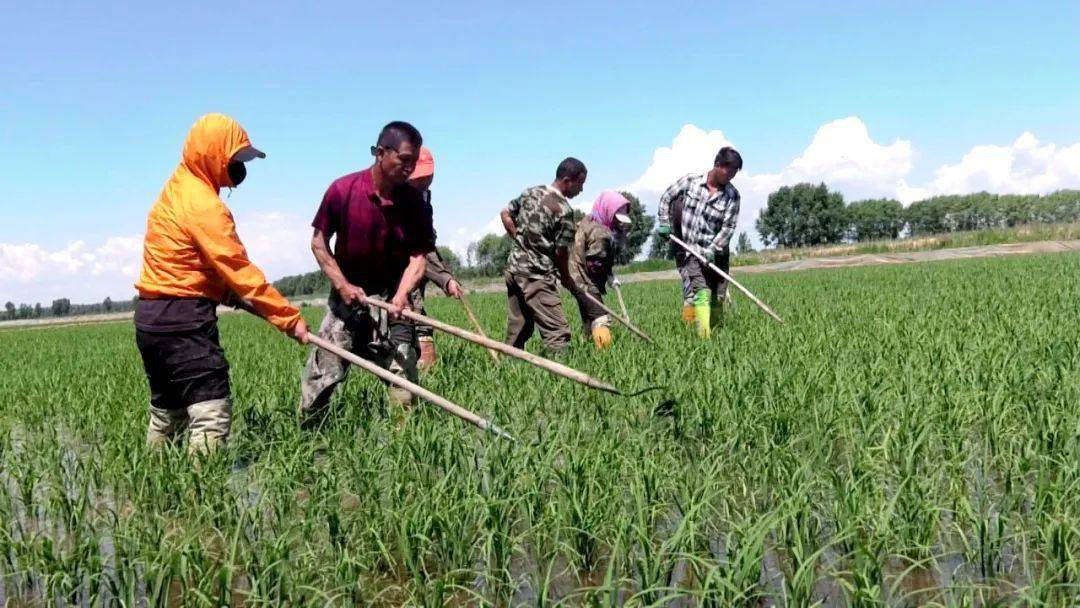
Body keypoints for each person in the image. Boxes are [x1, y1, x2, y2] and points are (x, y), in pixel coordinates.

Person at [134, 113, 309, 454]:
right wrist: (289, 319)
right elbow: (237, 268)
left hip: (151, 319)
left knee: (168, 413)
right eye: (236, 159)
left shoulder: (174, 190)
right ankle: (203, 497)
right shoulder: (203, 204)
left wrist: (224, 292)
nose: (240, 169)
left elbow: (189, 262)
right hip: (183, 320)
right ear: (213, 154)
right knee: (210, 411)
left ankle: (157, 489)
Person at [299, 121, 435, 427]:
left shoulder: (414, 202)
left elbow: (418, 258)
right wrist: (342, 285)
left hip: (392, 299)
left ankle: (405, 445)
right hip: (348, 298)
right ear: (380, 153)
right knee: (322, 377)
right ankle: (309, 437)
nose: (410, 168)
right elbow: (319, 242)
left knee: (403, 375)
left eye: (414, 162)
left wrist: (402, 296)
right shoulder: (342, 190)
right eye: (404, 160)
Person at [500, 157, 586, 352]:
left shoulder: (531, 192)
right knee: (557, 333)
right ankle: (562, 378)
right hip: (536, 275)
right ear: (567, 181)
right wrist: (566, 278)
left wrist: (518, 238)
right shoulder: (563, 210)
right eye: (580, 184)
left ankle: (507, 368)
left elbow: (505, 214)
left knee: (518, 329)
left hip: (514, 269)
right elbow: (561, 252)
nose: (581, 190)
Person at [655, 146, 743, 338]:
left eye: (735, 172)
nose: (732, 176)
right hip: (692, 252)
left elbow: (728, 228)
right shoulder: (690, 182)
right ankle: (704, 338)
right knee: (701, 293)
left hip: (717, 255)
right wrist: (663, 222)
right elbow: (666, 197)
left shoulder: (733, 196)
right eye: (730, 170)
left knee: (717, 299)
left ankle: (719, 334)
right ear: (718, 165)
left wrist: (713, 249)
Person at [406, 147, 465, 371]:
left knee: (414, 313)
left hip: (418, 264)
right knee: (414, 315)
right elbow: (418, 249)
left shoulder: (423, 195)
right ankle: (421, 372)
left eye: (427, 176)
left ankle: (421, 370)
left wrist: (446, 276)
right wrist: (444, 279)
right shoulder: (401, 198)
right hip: (399, 267)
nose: (424, 181)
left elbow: (427, 244)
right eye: (418, 177)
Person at [569, 191, 632, 349]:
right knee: (600, 316)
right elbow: (595, 265)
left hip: (574, 277)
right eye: (617, 219)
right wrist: (608, 276)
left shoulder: (590, 221)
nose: (619, 224)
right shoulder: (600, 233)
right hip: (582, 279)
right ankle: (605, 354)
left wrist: (609, 274)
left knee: (589, 318)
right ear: (608, 212)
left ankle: (586, 349)